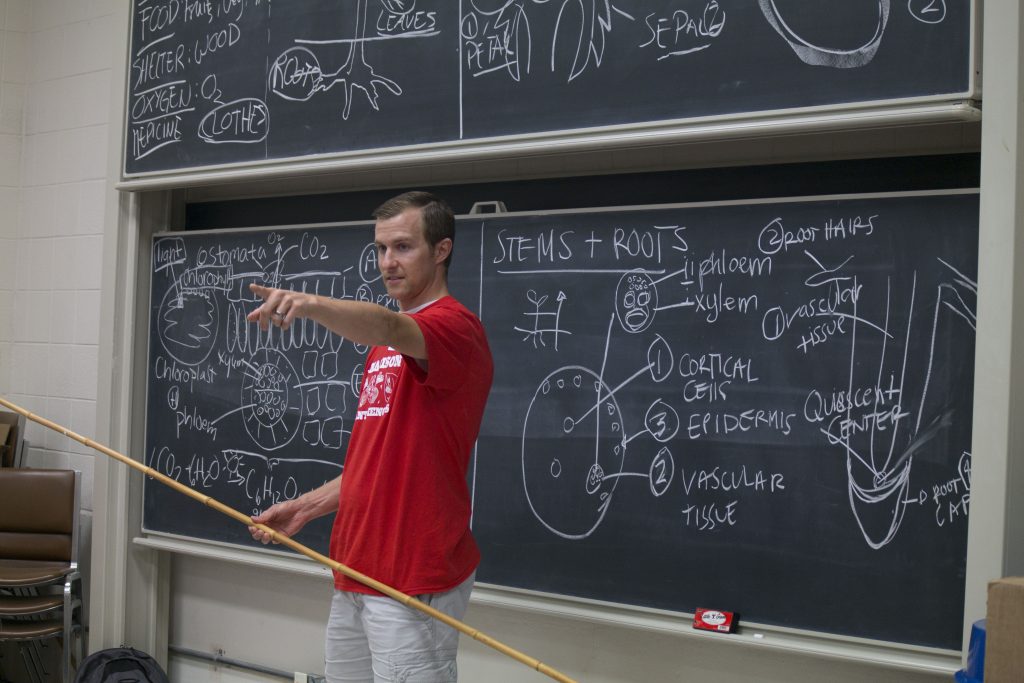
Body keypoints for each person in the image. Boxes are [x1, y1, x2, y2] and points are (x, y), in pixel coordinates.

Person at [246, 191, 493, 683]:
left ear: (441, 250)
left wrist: (308, 303)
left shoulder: (454, 328)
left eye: (403, 247)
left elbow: (386, 323)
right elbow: (377, 465)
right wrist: (308, 506)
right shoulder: (382, 350)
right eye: (380, 249)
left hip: (411, 577)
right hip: (356, 569)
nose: (387, 262)